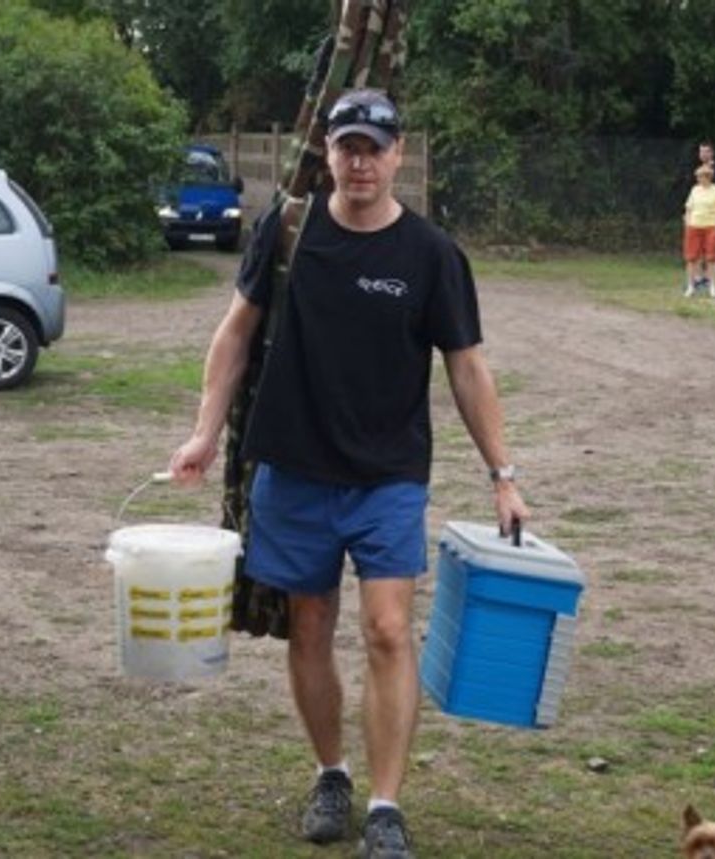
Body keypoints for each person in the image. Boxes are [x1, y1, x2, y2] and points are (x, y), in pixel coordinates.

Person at [168, 88, 529, 859]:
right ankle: (331, 772)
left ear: (399, 155)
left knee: (389, 629)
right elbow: (235, 335)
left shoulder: (431, 254)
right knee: (310, 624)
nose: (360, 160)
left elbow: (467, 367)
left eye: (375, 147)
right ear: (327, 153)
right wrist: (204, 432)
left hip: (388, 474)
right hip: (294, 468)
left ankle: (387, 805)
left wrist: (503, 471)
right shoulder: (288, 229)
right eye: (347, 146)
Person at [682, 163, 715, 298]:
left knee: (711, 258)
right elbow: (688, 209)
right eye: (698, 177)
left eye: (701, 177)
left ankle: (712, 286)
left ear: (708, 177)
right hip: (694, 227)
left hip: (711, 227)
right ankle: (691, 286)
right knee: (691, 258)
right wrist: (688, 223)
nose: (698, 179)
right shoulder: (694, 190)